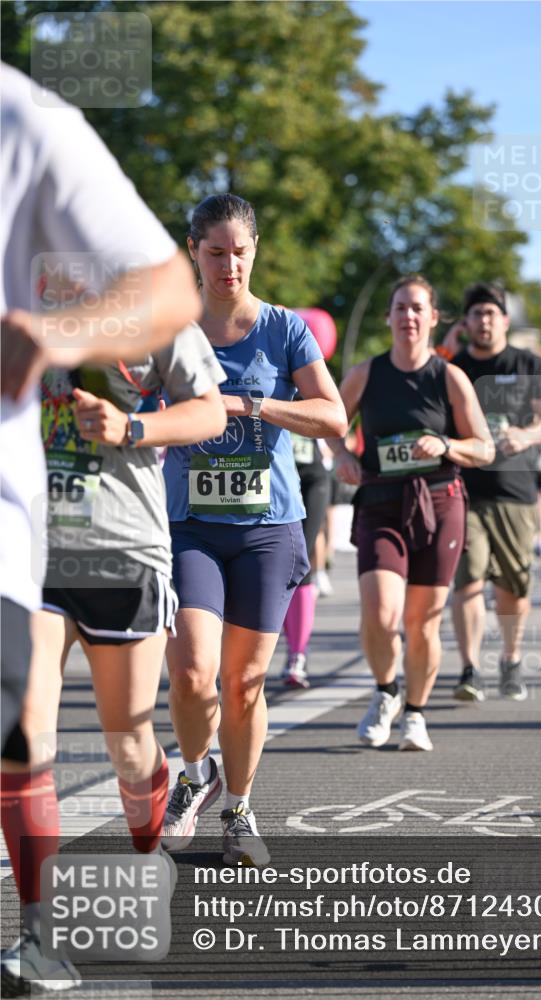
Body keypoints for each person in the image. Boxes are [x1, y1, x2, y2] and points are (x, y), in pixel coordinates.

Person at [1, 63, 203, 993]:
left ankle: (147, 853)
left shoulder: (136, 301)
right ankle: (39, 932)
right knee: (22, 728)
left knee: (127, 741)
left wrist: (130, 424)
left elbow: (205, 413)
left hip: (122, 546)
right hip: (31, 542)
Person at [160, 195, 347, 864]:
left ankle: (238, 809)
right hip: (189, 526)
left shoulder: (284, 328)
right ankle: (194, 772)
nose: (228, 264)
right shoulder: (170, 329)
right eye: (215, 252)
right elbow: (138, 408)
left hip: (268, 527)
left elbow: (331, 417)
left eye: (239, 251)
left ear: (255, 251)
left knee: (242, 684)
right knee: (191, 673)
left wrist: (251, 404)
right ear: (193, 252)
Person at [330, 275, 493, 752]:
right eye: (400, 307)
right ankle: (386, 692)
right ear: (388, 316)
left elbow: (483, 447)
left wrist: (445, 443)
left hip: (440, 504)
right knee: (380, 613)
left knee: (422, 622)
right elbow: (328, 420)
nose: (409, 317)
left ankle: (417, 714)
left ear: (433, 317)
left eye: (418, 308)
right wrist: (341, 454)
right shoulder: (367, 373)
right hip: (381, 501)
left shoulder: (449, 377)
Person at [447, 282, 541, 702]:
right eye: (476, 314)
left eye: (492, 314)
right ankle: (469, 667)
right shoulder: (453, 367)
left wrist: (525, 436)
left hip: (515, 491)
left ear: (505, 321)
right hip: (464, 491)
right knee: (469, 579)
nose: (484, 321)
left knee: (513, 587)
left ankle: (510, 659)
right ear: (467, 322)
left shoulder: (528, 363)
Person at [281, 434, 332, 687]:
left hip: (311, 477)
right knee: (280, 568)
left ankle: (297, 654)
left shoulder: (308, 391)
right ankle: (291, 648)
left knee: (300, 562)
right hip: (274, 479)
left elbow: (337, 416)